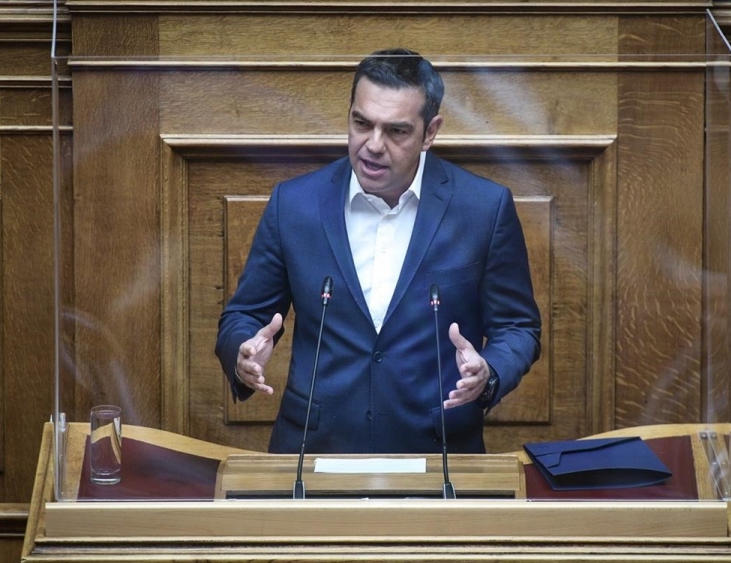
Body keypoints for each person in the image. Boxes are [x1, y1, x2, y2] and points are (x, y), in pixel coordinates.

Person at [216, 48, 541, 454]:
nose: (373, 145)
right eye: (361, 123)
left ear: (430, 132)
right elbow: (245, 315)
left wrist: (488, 373)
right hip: (314, 450)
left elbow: (518, 327)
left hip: (437, 450)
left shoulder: (483, 208)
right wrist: (243, 352)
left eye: (396, 131)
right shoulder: (294, 204)